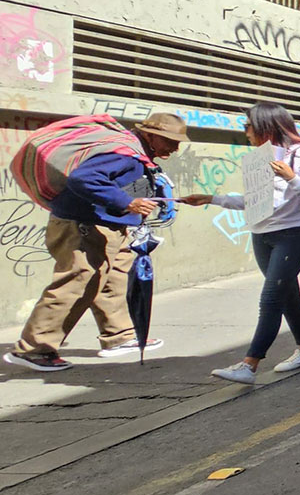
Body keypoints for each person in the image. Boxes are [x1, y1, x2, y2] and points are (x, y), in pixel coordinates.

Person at [5, 113, 189, 372]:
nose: (174, 147)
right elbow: (84, 179)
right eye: (169, 140)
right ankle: (34, 348)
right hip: (83, 225)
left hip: (108, 226)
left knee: (112, 279)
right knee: (76, 282)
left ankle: (119, 335)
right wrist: (127, 203)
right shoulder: (123, 153)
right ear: (149, 134)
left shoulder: (135, 152)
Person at [182, 103, 300, 384]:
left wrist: (291, 178)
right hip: (262, 234)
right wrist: (211, 198)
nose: (245, 133)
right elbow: (254, 201)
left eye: (247, 126)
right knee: (287, 295)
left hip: (293, 234)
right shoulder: (260, 158)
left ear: (266, 125)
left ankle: (250, 364)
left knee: (271, 298)